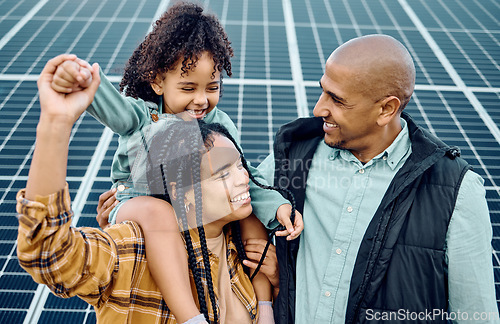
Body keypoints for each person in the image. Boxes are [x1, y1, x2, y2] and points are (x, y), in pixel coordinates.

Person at [50, 2, 302, 323]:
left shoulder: (216, 122)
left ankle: (262, 302)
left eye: (212, 88)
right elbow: (115, 110)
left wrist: (278, 206)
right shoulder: (143, 116)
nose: (201, 100)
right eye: (187, 88)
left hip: (196, 210)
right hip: (137, 202)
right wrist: (87, 82)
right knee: (160, 214)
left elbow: (243, 174)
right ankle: (189, 315)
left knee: (248, 211)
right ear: (158, 82)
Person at [17, 54, 282, 323]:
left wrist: (278, 285)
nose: (243, 178)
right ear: (183, 193)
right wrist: (55, 124)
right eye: (223, 173)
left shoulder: (245, 250)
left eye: (239, 166)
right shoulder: (134, 251)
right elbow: (50, 255)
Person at [256, 34, 499, 323]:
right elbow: (233, 186)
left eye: (337, 100)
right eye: (323, 91)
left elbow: (475, 316)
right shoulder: (297, 154)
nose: (319, 109)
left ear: (386, 109)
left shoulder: (456, 191)